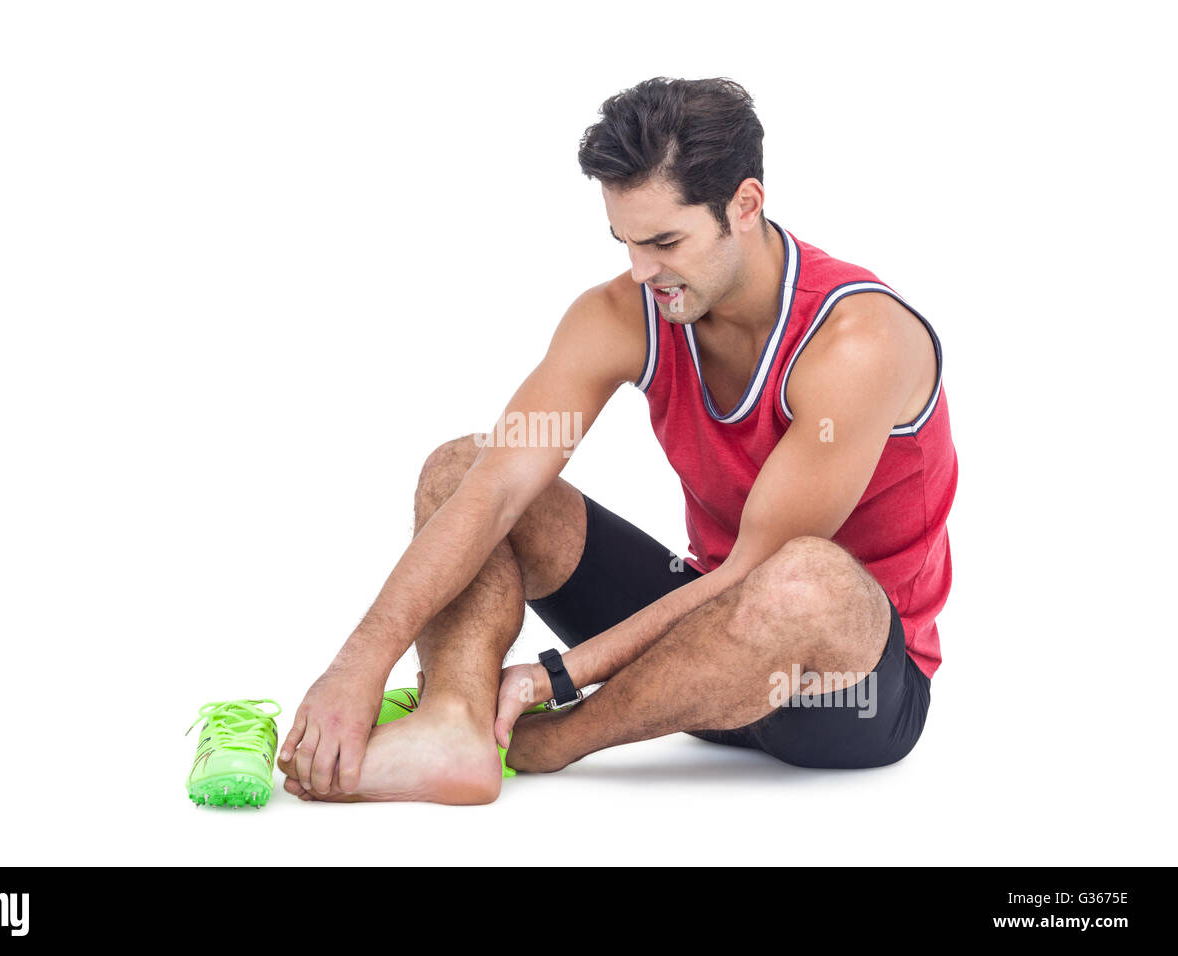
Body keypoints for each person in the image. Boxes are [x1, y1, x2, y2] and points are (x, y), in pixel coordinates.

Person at [277, 76, 958, 804]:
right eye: (625, 241)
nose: (642, 272)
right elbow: (497, 491)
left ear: (745, 205)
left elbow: (757, 575)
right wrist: (358, 666)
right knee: (464, 466)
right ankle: (454, 725)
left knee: (803, 578)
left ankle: (549, 742)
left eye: (666, 241)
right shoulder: (626, 312)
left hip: (841, 691)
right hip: (697, 661)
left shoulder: (857, 340)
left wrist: (558, 677)